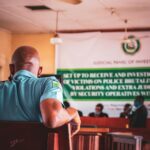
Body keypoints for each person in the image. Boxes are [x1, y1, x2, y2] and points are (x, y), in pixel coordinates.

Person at [0, 46, 80, 136]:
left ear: (11, 68)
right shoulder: (49, 83)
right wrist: (73, 113)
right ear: (40, 70)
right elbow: (53, 119)